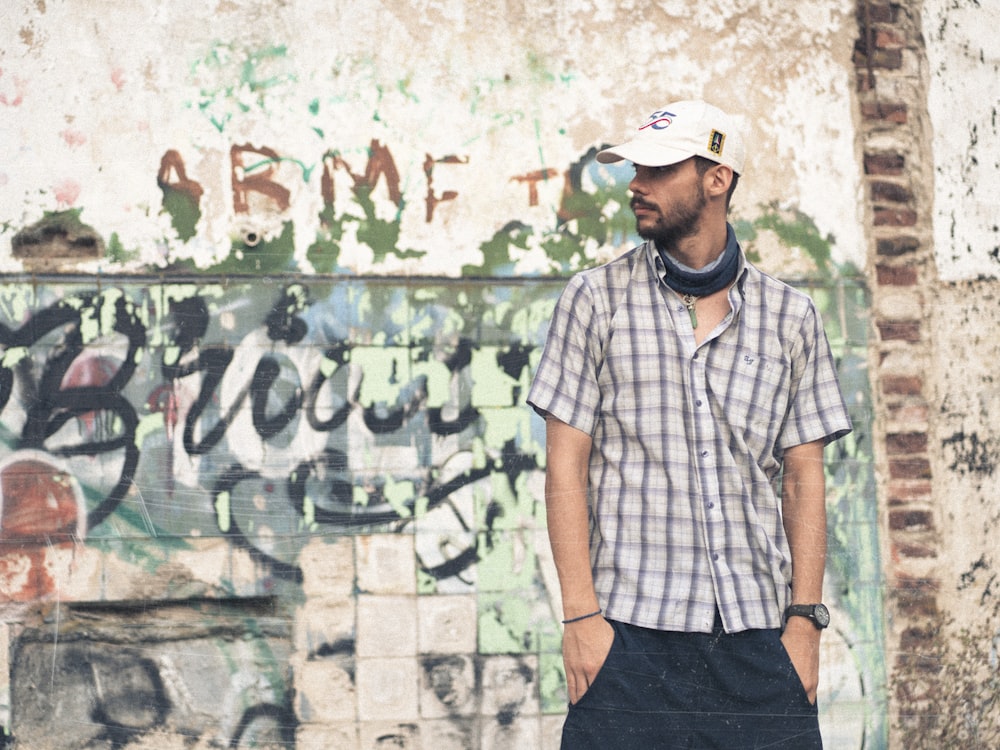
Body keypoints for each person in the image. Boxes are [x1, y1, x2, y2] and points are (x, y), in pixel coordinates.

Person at [527, 99, 852, 749]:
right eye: (633, 170)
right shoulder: (595, 301)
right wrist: (580, 618)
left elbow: (803, 477)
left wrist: (805, 626)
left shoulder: (790, 317)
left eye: (656, 170)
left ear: (716, 179)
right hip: (628, 644)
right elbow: (565, 464)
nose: (635, 187)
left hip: (758, 642)